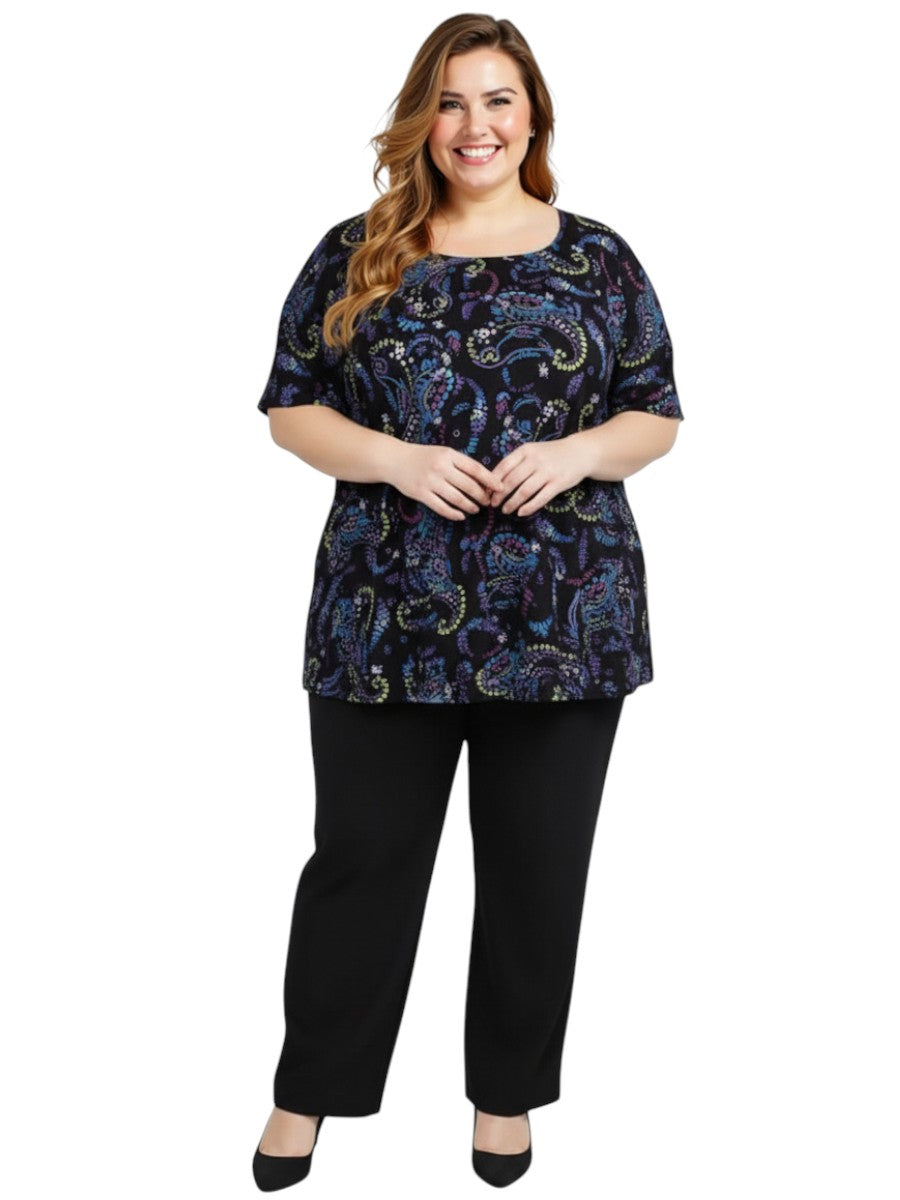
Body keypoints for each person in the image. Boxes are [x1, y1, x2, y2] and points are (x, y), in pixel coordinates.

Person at [251, 12, 684, 1191]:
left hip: (566, 618)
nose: (474, 125)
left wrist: (581, 450)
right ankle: (309, 1090)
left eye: (497, 99)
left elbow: (656, 414)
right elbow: (290, 407)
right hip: (381, 612)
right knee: (360, 860)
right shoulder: (358, 251)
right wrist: (395, 460)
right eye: (450, 101)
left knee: (538, 869)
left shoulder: (599, 260)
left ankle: (506, 1095)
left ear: (533, 117)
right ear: (422, 119)